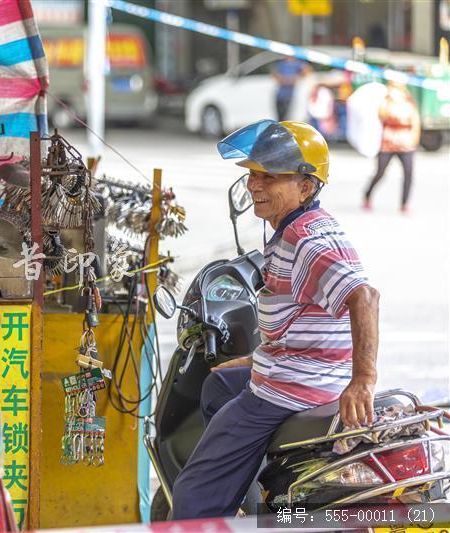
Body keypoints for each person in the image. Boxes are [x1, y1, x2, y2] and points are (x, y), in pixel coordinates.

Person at [172, 120, 380, 519]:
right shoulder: (291, 230)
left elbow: (365, 297)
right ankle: (249, 493)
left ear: (306, 186)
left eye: (269, 176)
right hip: (298, 371)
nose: (254, 186)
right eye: (252, 175)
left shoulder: (308, 241)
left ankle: (208, 507)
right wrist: (256, 359)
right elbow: (303, 319)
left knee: (192, 495)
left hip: (291, 390)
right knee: (217, 384)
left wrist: (363, 381)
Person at [363, 79, 421, 213]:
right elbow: (381, 116)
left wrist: (414, 139)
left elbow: (416, 122)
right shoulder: (386, 103)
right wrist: (388, 101)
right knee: (380, 172)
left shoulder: (409, 104)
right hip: (388, 143)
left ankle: (404, 203)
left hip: (406, 143)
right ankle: (367, 195)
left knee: (408, 174)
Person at [273, 57, 311, 121]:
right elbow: (276, 75)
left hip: (289, 95)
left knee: (287, 117)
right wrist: (287, 80)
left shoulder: (298, 63)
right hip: (280, 94)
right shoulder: (282, 63)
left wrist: (295, 78)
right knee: (280, 116)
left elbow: (307, 71)